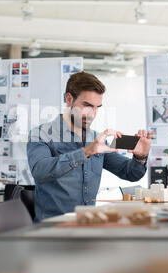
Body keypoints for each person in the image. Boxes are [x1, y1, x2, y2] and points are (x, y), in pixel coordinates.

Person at [27, 71, 151, 222]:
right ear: (69, 99)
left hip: (87, 226)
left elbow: (130, 174)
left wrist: (140, 157)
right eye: (87, 105)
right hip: (53, 229)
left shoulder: (95, 139)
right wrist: (86, 152)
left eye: (97, 107)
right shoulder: (41, 134)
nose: (92, 114)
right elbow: (40, 171)